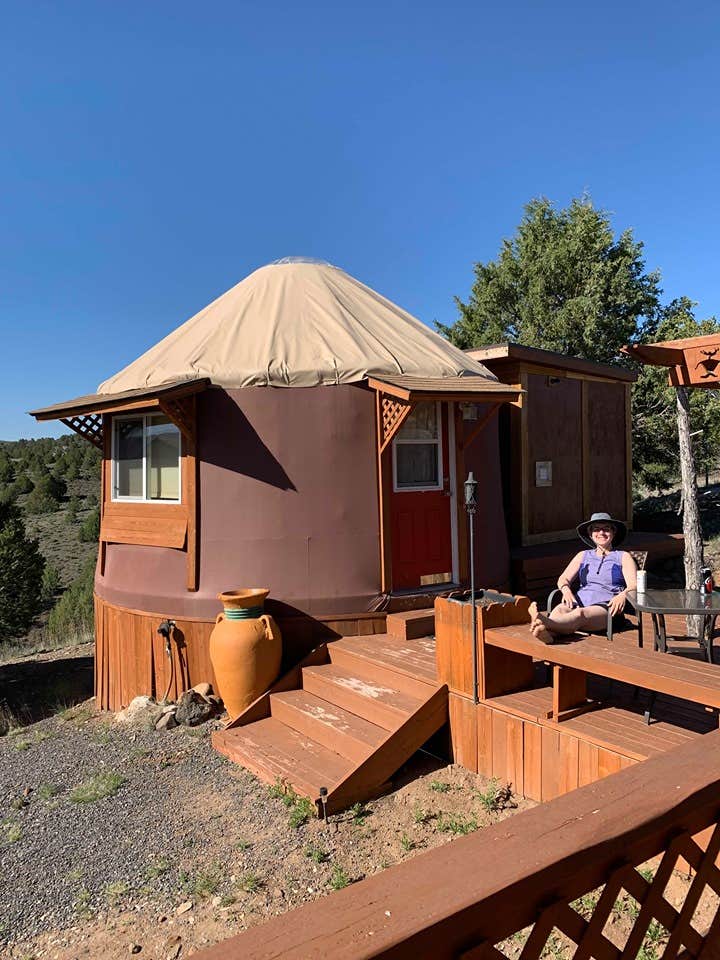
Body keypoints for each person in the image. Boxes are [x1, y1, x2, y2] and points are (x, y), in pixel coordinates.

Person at [529, 512, 637, 644]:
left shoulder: (623, 556)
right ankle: (547, 634)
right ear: (591, 534)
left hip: (607, 607)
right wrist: (566, 590)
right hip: (579, 601)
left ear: (613, 533)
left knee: (580, 614)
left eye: (606, 529)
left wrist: (622, 595)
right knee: (560, 609)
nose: (601, 532)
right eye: (596, 529)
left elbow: (634, 585)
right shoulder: (583, 555)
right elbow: (563, 578)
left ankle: (545, 622)